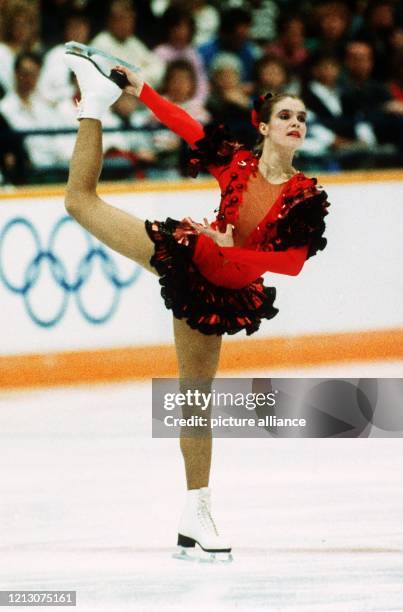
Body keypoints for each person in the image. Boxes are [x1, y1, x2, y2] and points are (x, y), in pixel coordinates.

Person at [64, 49, 330, 560]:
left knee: (194, 397)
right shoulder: (235, 164)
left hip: (222, 293)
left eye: (301, 117)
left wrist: (238, 250)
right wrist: (141, 90)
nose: (295, 122)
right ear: (265, 126)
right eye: (285, 116)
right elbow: (186, 124)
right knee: (80, 201)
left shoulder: (304, 196)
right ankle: (94, 104)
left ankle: (196, 510)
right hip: (190, 260)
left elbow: (294, 261)